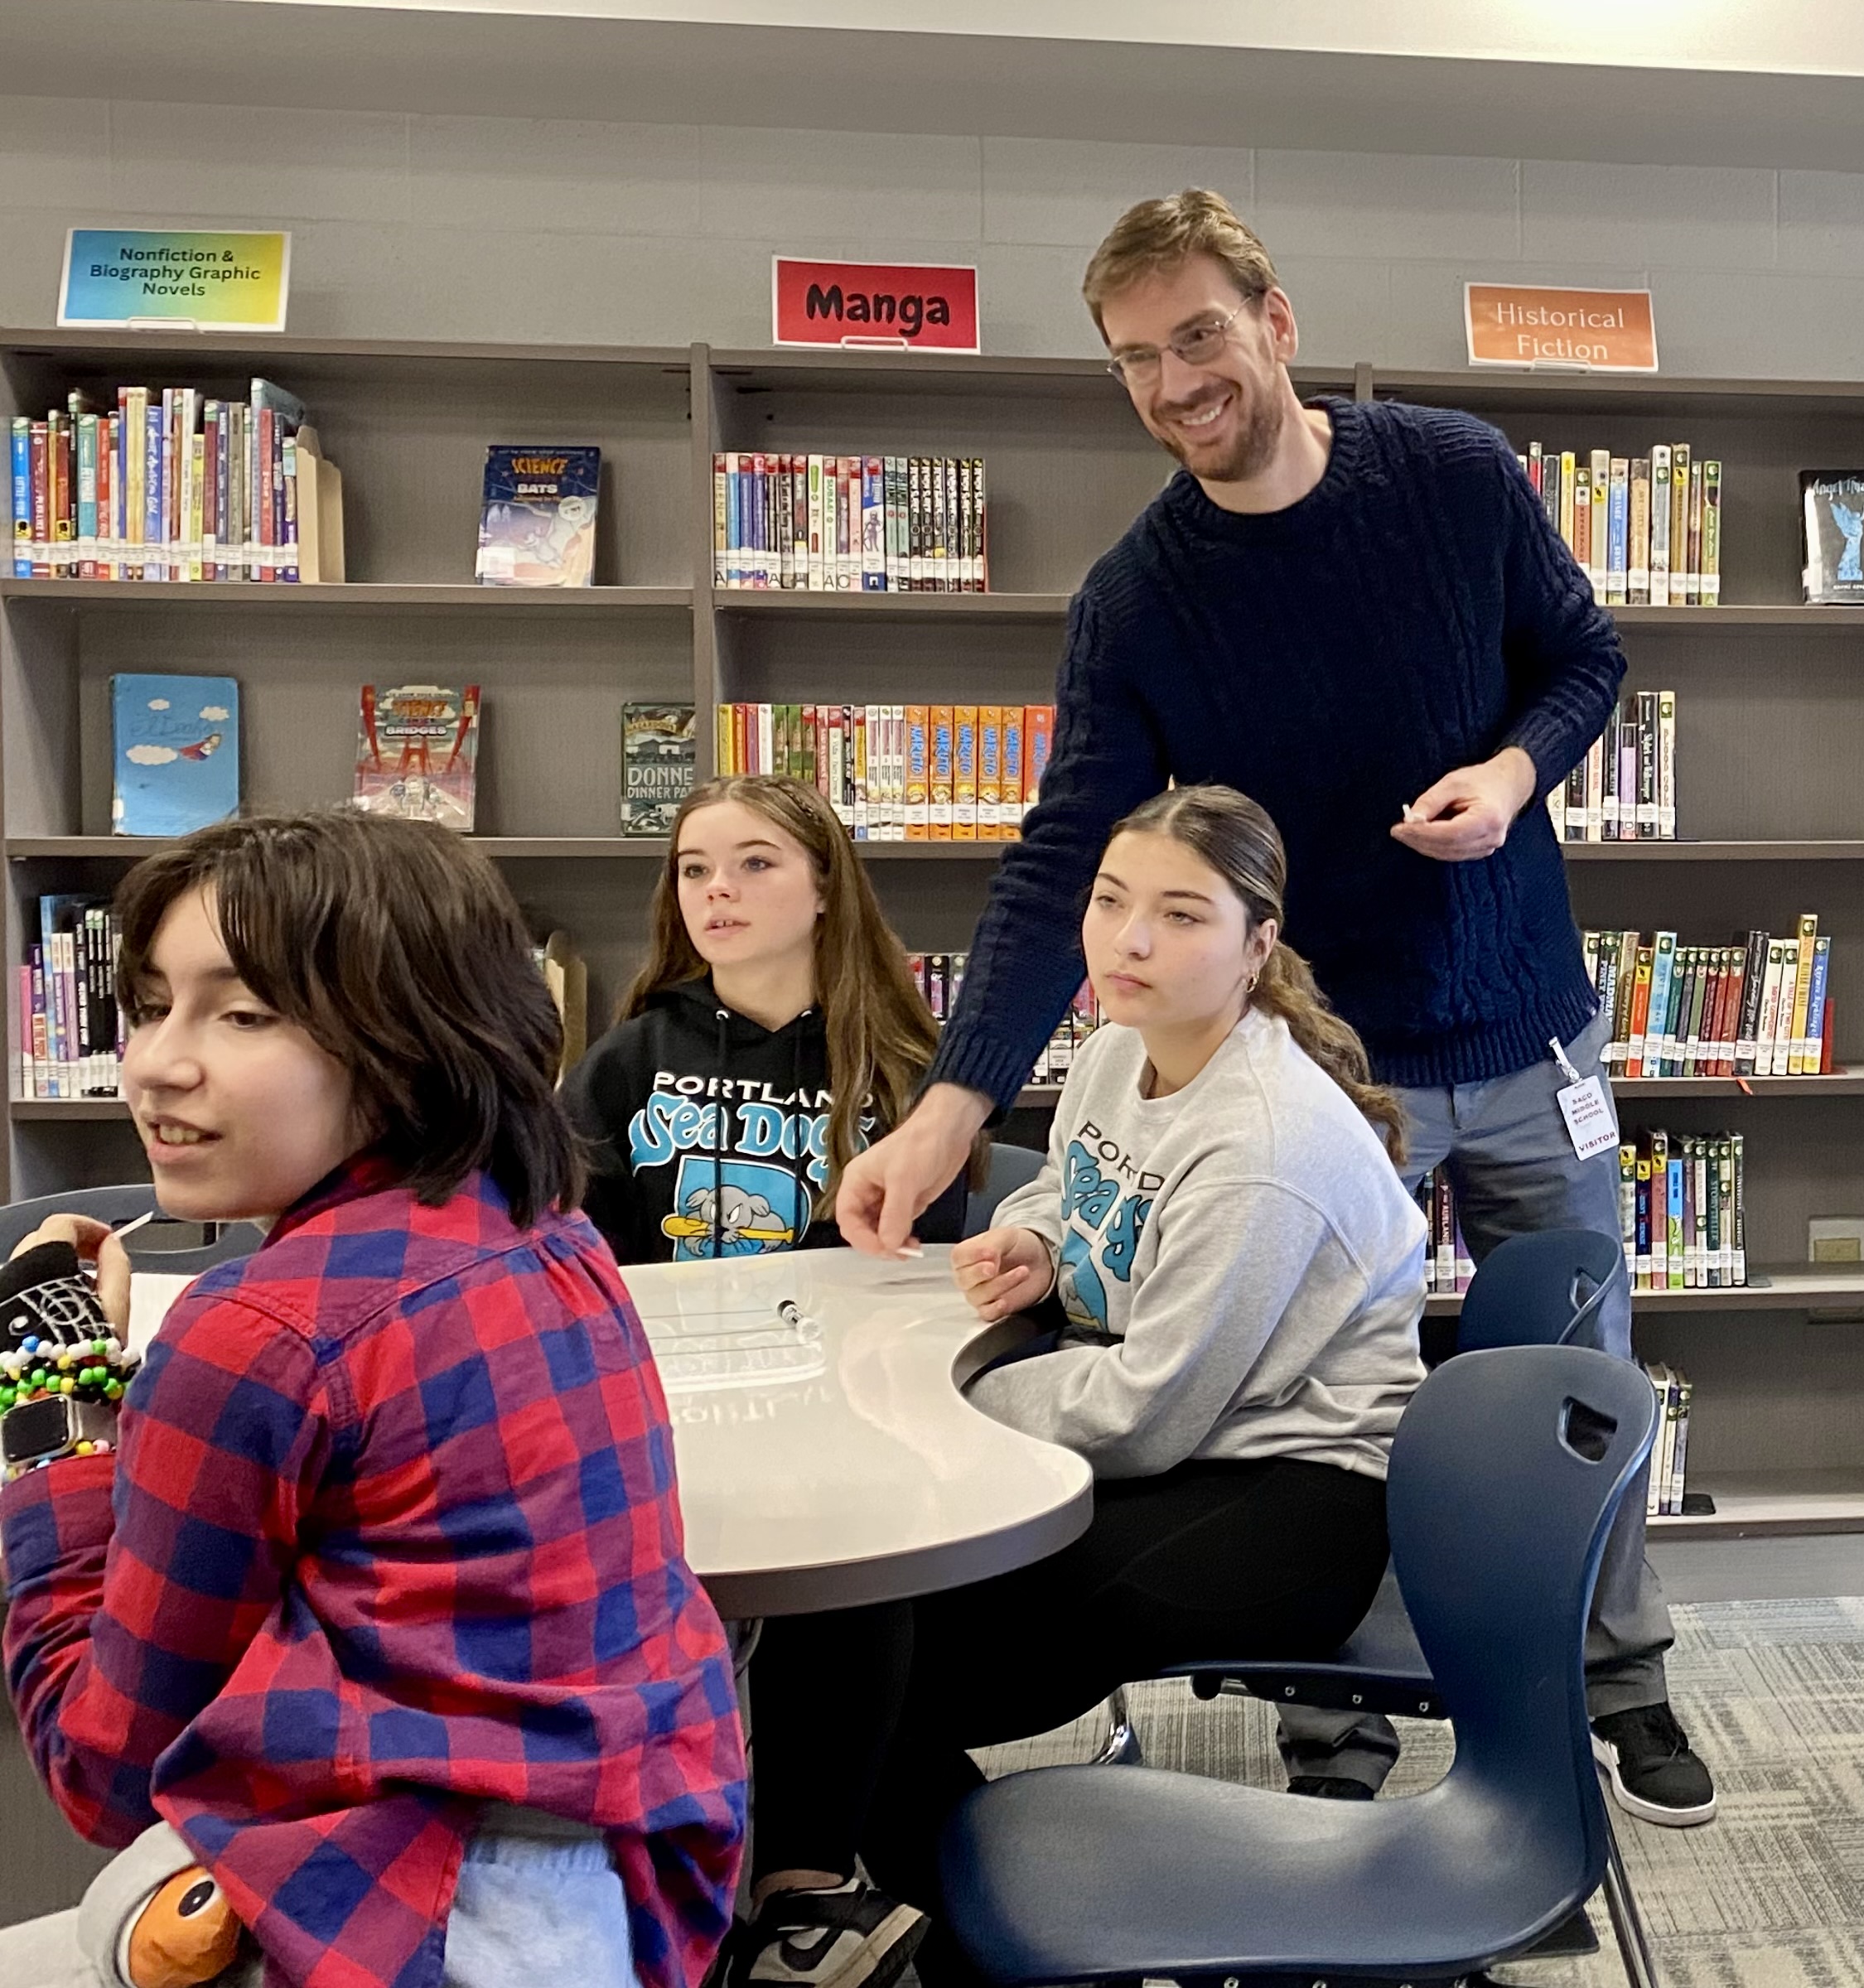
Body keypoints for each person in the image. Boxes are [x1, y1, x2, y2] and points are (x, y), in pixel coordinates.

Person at [828, 186, 1712, 1821]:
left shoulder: (1449, 476)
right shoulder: (1140, 598)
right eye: (1135, 361)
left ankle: (1620, 1672)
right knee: (1333, 1366)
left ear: (1277, 323)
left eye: (1200, 338)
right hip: (1329, 1070)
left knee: (1581, 1368)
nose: (1175, 385)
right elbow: (1060, 866)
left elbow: (1586, 660)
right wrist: (951, 1108)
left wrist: (1517, 776)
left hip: (1524, 1025)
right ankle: (1338, 1716)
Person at [0, 812, 748, 1988]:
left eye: (242, 1013)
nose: (155, 1063)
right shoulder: (546, 1234)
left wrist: (48, 1401)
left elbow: (104, 1764)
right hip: (605, 1897)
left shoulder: (256, 1335)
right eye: (150, 1004)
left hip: (406, 1924)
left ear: (408, 1039)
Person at [724, 786, 1424, 1988]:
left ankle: (976, 1942)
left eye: (1180, 916)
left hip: (1287, 1503)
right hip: (1183, 1444)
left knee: (868, 1670)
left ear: (1259, 948)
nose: (1129, 943)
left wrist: (940, 1419)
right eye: (1109, 903)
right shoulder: (1117, 1051)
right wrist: (1043, 1244)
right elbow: (1080, 1189)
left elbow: (1146, 1413)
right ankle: (912, 1915)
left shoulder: (1263, 1145)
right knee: (845, 1647)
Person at [566, 774, 964, 1264]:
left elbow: (922, 1262)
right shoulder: (626, 1062)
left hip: (856, 1333)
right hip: (670, 1336)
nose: (717, 889)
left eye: (755, 863)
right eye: (694, 870)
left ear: (825, 889)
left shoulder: (900, 1067)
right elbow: (576, 1255)